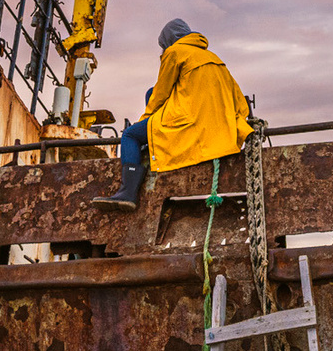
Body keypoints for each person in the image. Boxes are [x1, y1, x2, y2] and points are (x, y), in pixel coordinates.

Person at [92, 18, 251, 211]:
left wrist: (145, 123)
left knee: (130, 135)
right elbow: (239, 100)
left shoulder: (175, 52)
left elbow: (161, 94)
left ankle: (127, 193)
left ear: (168, 40)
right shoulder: (214, 58)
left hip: (188, 123)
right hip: (218, 128)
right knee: (149, 92)